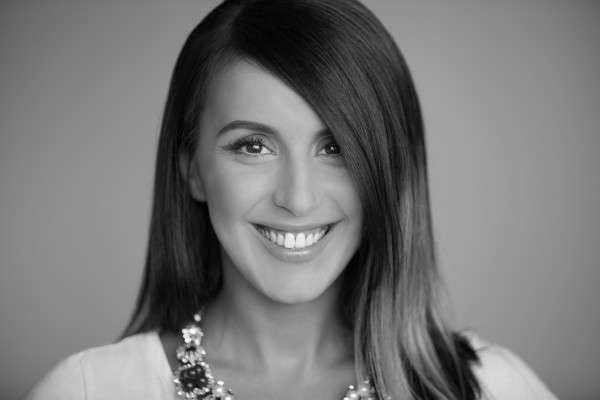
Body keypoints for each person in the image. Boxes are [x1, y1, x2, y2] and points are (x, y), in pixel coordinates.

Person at [25, 0, 558, 399]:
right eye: (253, 146)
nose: (298, 199)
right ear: (192, 171)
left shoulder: (490, 388)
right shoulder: (88, 389)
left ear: (388, 170)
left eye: (336, 147)